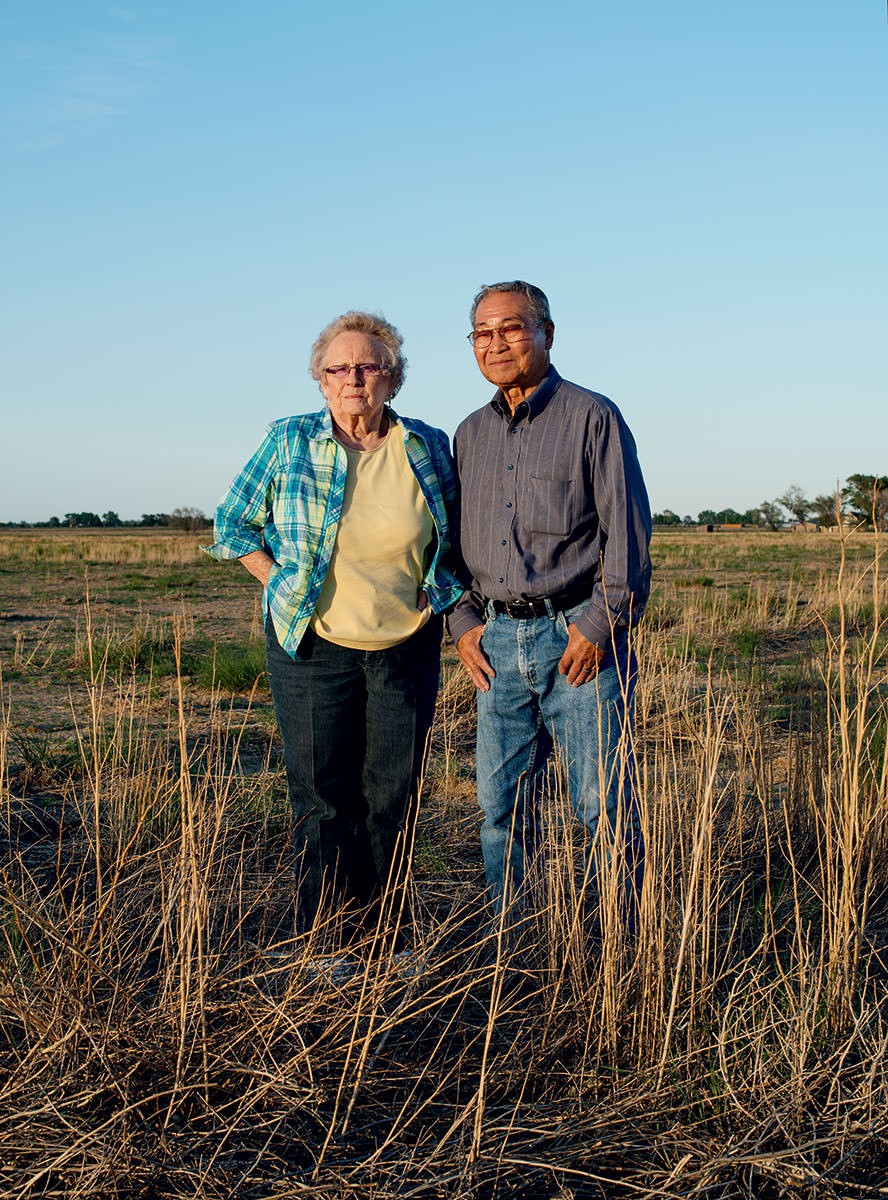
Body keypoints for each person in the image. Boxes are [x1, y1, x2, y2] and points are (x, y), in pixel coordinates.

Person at [206, 311, 463, 946]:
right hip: (312, 648)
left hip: (405, 647)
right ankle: (324, 942)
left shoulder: (427, 445)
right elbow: (231, 522)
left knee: (392, 799)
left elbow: (458, 535)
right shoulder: (289, 439)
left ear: (392, 377)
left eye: (368, 366)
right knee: (323, 800)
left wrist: (439, 593)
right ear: (320, 380)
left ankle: (386, 938)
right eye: (338, 368)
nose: (353, 378)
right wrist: (278, 580)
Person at [448, 281, 651, 918]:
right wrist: (462, 624)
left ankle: (620, 947)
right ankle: (516, 943)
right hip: (495, 645)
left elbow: (627, 537)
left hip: (578, 639)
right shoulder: (469, 434)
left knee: (602, 805)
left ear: (547, 334)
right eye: (482, 333)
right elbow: (450, 542)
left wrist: (600, 626)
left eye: (512, 328)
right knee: (501, 808)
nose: (496, 343)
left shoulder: (593, 417)